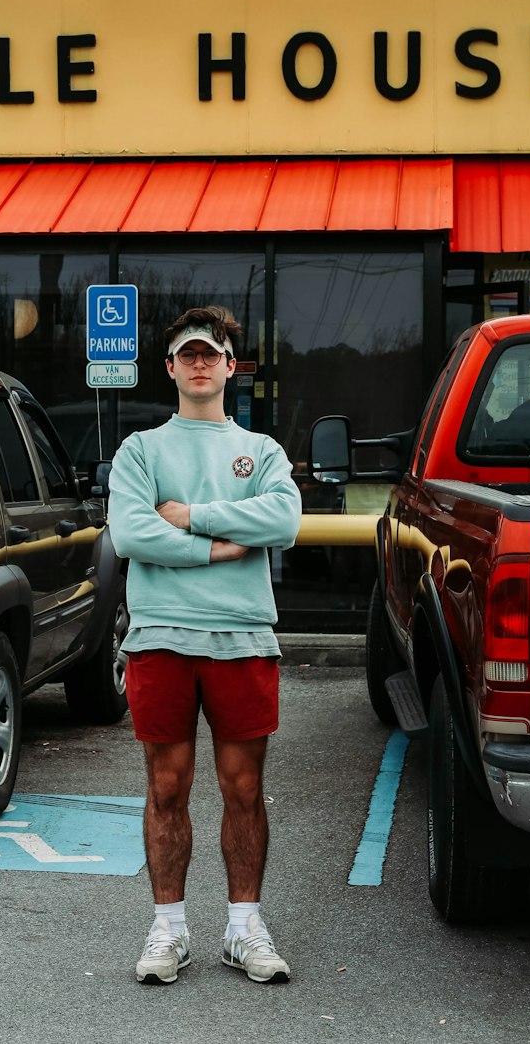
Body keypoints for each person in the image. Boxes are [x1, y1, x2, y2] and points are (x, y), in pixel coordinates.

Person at [107, 305, 301, 986]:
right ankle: (170, 929)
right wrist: (225, 547)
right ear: (169, 367)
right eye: (186, 354)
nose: (198, 364)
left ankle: (245, 928)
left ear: (229, 365)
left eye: (210, 354)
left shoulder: (263, 451)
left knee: (243, 788)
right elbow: (131, 535)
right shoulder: (142, 451)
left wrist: (192, 517)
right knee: (167, 787)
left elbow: (282, 517)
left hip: (244, 635)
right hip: (161, 635)